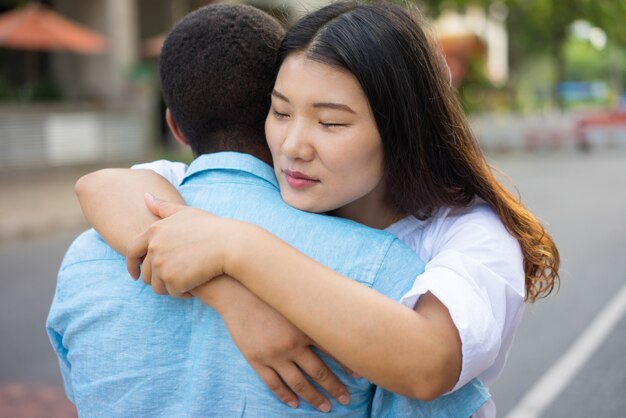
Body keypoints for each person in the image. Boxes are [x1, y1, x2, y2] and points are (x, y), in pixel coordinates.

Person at [77, 1, 560, 417]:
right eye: (281, 112)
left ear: (401, 130)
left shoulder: (468, 233)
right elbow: (101, 187)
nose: (292, 146)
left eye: (330, 123)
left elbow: (427, 363)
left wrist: (238, 247)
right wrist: (233, 300)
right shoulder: (276, 182)